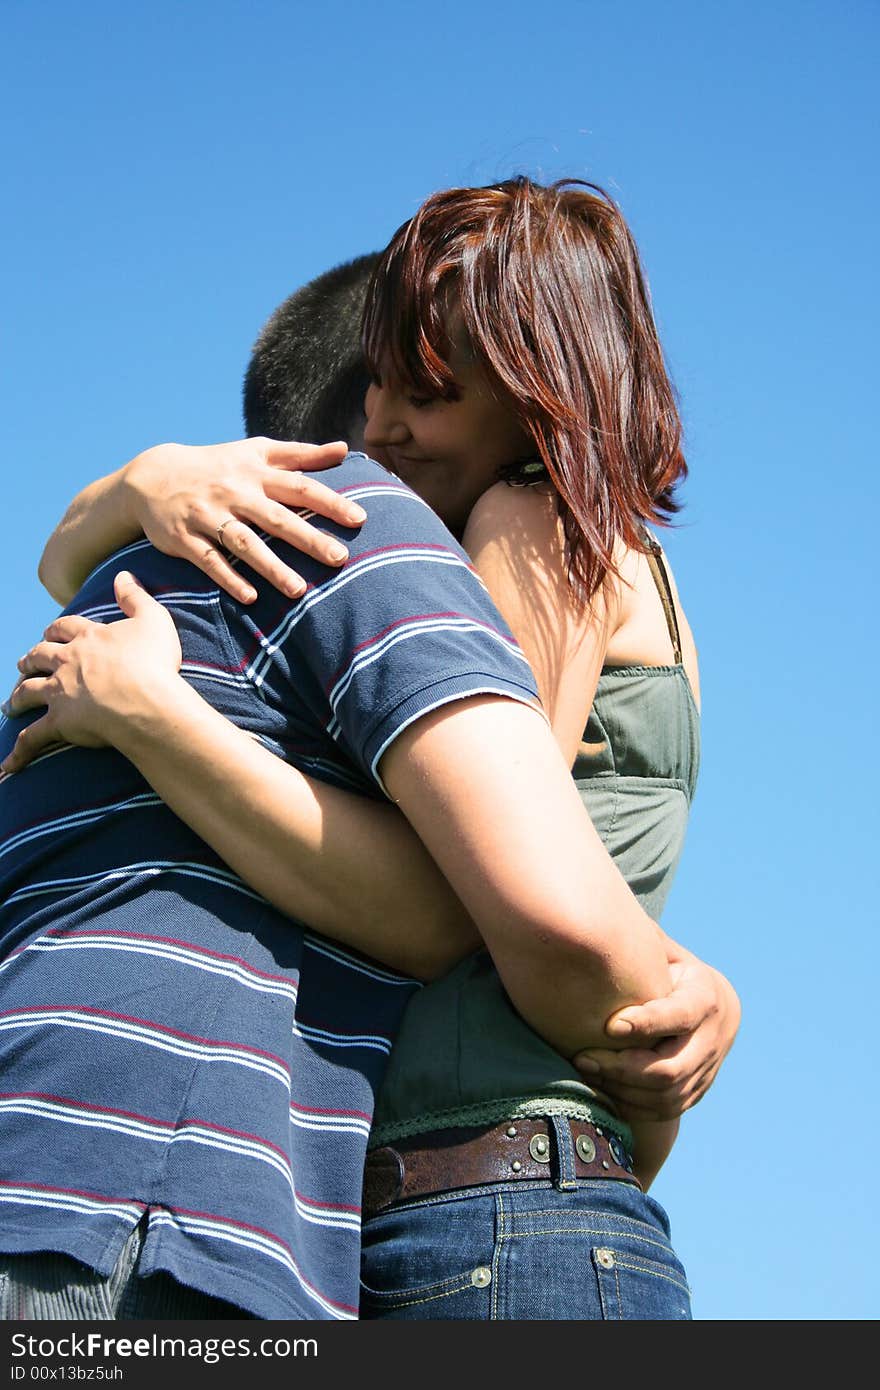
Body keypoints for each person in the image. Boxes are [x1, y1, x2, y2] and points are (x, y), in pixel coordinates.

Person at [3, 179, 739, 1320]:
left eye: (429, 391)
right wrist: (147, 480)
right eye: (381, 379)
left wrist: (153, 713)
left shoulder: (525, 523)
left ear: (544, 383)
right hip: (527, 1187)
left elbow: (472, 883)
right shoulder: (604, 547)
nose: (380, 428)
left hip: (478, 1195)